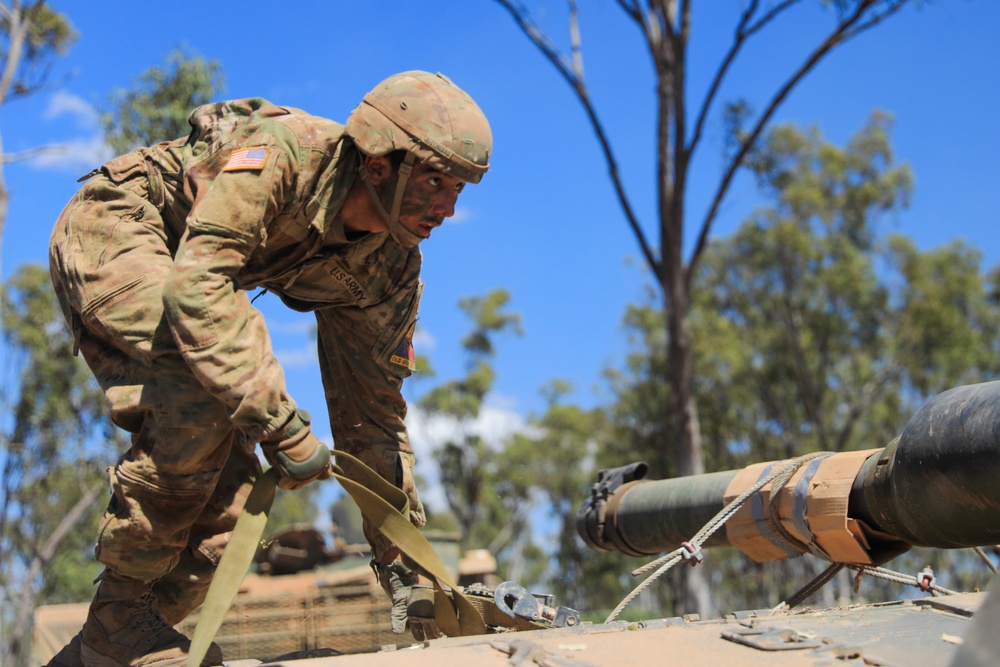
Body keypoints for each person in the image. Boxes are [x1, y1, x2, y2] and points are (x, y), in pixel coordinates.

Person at [45, 70, 491, 667]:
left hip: (190, 280)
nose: (448, 207)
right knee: (201, 391)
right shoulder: (288, 154)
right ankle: (119, 627)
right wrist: (278, 421)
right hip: (119, 228)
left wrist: (405, 564)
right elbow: (198, 289)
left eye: (460, 188)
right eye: (436, 180)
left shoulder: (389, 269)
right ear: (380, 164)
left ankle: (108, 642)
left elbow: (373, 422)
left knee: (225, 514)